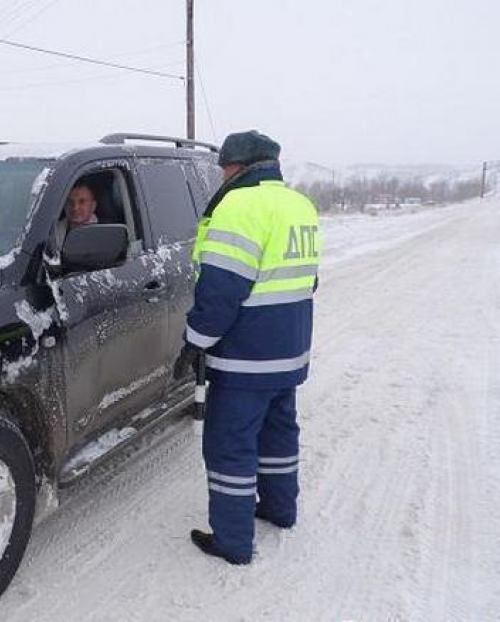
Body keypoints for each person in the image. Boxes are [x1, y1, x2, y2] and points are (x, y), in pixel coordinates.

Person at [174, 130, 321, 565]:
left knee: (229, 445)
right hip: (290, 350)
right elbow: (308, 279)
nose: (221, 174)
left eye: (224, 166)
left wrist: (194, 343)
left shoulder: (239, 207)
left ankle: (233, 542)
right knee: (279, 434)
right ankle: (279, 509)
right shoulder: (300, 204)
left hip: (245, 358)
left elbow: (220, 291)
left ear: (238, 166)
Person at [55, 180, 98, 249]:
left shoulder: (102, 233)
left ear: (93, 206)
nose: (75, 208)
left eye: (82, 201)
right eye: (70, 201)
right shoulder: (53, 232)